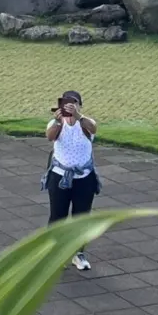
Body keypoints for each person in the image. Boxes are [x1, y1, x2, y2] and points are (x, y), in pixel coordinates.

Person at [44, 90, 100, 271]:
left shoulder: (85, 123)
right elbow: (50, 136)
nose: (69, 106)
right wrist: (60, 120)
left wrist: (77, 115)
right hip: (60, 176)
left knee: (81, 217)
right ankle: (54, 253)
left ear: (79, 105)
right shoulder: (56, 123)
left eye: (74, 103)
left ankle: (78, 253)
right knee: (57, 216)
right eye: (66, 103)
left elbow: (93, 128)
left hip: (84, 178)